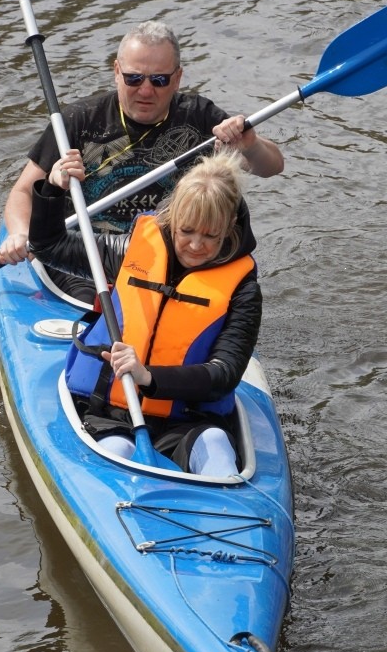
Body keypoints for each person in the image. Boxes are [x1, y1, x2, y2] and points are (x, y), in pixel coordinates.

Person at [0, 20, 283, 303]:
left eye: (159, 80)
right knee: (95, 306)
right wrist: (20, 234)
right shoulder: (78, 120)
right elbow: (22, 192)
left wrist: (251, 146)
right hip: (88, 253)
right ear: (117, 72)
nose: (146, 91)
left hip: (172, 253)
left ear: (177, 78)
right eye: (134, 78)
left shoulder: (200, 117)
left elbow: (271, 167)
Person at [28, 148, 261, 476]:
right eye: (187, 231)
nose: (196, 245)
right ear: (173, 219)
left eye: (210, 236)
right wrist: (53, 189)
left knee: (217, 450)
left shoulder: (243, 288)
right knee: (118, 452)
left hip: (190, 421)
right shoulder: (134, 251)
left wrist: (149, 377)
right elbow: (48, 246)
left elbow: (224, 373)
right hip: (112, 414)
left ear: (230, 226)